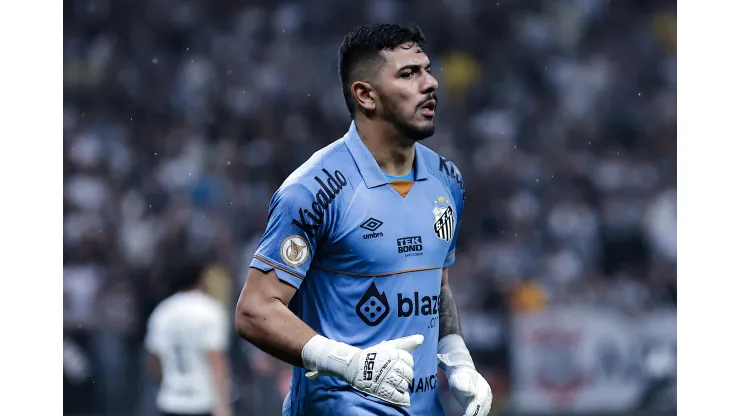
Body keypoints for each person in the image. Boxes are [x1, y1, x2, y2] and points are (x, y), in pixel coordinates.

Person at [235, 23, 493, 416]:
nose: (431, 83)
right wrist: (349, 364)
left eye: (426, 69)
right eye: (409, 74)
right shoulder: (313, 189)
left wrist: (458, 359)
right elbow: (255, 310)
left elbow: (435, 288)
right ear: (366, 95)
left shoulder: (447, 181)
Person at [145, 259, 232, 416]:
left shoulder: (162, 311)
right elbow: (215, 358)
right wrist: (223, 405)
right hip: (202, 402)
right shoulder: (210, 310)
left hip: (169, 402)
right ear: (201, 279)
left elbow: (153, 362)